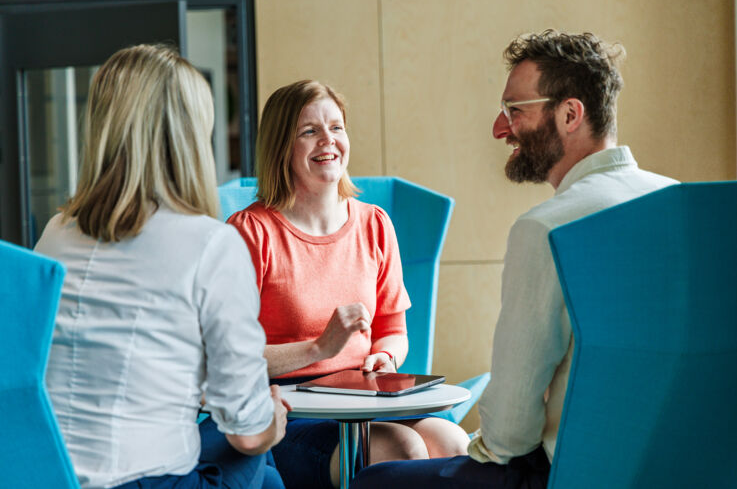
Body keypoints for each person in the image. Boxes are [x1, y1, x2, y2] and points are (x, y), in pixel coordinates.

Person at [349, 30, 678, 489]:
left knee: (374, 481)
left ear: (569, 114)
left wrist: (485, 445)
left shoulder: (548, 227)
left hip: (569, 474)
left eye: (514, 110)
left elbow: (510, 433)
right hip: (681, 464)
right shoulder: (680, 203)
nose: (500, 128)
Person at [34, 44, 288, 489]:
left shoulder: (55, 233)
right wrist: (275, 421)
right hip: (144, 481)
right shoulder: (211, 244)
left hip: (47, 474)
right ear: (189, 137)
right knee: (262, 459)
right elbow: (247, 432)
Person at [227, 80, 470, 489]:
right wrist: (319, 348)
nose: (328, 141)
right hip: (287, 412)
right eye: (309, 131)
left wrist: (385, 358)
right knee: (401, 449)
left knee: (454, 443)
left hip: (366, 395)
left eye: (336, 127)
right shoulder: (250, 232)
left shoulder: (375, 223)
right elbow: (228, 357)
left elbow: (393, 331)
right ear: (280, 146)